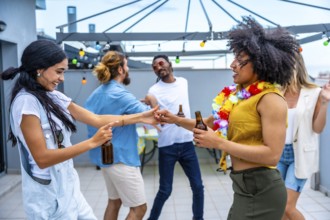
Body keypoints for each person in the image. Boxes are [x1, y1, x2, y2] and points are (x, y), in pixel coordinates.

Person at [154, 17, 300, 219]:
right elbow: (206, 123)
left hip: (262, 188)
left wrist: (220, 143)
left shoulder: (270, 100)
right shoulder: (238, 96)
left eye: (240, 60)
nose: (232, 65)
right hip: (242, 186)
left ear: (260, 62)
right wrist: (174, 119)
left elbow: (272, 155)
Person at [0, 39, 158, 219]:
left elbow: (96, 119)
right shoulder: (26, 102)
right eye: (59, 72)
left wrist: (141, 117)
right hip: (48, 198)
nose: (62, 78)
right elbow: (42, 158)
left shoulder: (54, 96)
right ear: (39, 68)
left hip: (69, 188)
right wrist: (92, 142)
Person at [85, 51, 157, 220]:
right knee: (139, 208)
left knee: (114, 202)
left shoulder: (97, 94)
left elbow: (111, 112)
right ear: (120, 69)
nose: (128, 68)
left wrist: (134, 104)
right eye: (126, 65)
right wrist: (152, 99)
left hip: (105, 157)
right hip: (121, 159)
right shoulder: (120, 94)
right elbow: (152, 116)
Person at [146, 54, 204, 220]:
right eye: (155, 66)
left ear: (169, 64)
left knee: (198, 186)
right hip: (167, 145)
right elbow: (152, 101)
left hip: (187, 143)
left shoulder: (183, 82)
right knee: (165, 190)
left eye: (161, 63)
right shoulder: (154, 90)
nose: (158, 67)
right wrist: (149, 100)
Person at [277, 53, 330, 220]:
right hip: (276, 154)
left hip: (299, 155)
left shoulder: (314, 93)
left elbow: (318, 128)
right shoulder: (275, 91)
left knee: (287, 206)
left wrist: (324, 103)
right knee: (279, 207)